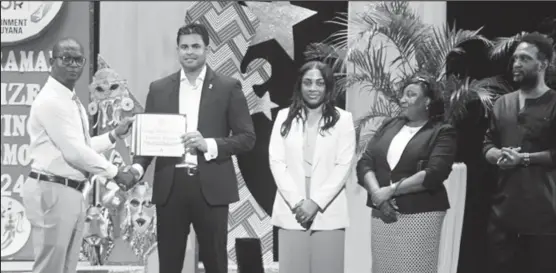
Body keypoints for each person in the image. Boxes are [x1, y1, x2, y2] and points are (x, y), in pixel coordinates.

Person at [129, 23, 255, 273]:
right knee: (169, 263)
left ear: (207, 49)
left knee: (215, 263)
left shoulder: (227, 87)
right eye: (184, 47)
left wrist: (207, 143)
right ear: (177, 50)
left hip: (211, 187)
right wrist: (135, 168)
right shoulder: (159, 88)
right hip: (171, 186)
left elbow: (247, 138)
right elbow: (148, 140)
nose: (190, 52)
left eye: (196, 46)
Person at [21, 37, 136, 273]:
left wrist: (114, 135)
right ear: (51, 62)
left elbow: (81, 146)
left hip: (69, 191)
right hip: (52, 191)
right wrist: (116, 173)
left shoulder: (69, 98)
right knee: (50, 268)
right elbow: (74, 152)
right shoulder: (51, 101)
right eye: (66, 58)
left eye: (78, 60)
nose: (73, 65)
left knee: (66, 268)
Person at [356, 75, 457, 273]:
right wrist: (379, 195)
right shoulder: (389, 125)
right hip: (382, 214)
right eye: (402, 94)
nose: (402, 99)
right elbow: (365, 162)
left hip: (420, 215)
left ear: (427, 102)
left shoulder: (442, 132)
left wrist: (391, 191)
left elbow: (434, 174)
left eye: (410, 95)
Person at [269, 60, 355, 273]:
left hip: (328, 210)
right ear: (300, 85)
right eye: (308, 83)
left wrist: (315, 203)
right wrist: (299, 203)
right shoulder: (283, 117)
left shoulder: (343, 119)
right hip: (292, 209)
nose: (313, 88)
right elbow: (276, 161)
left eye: (319, 83)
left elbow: (343, 165)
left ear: (327, 87)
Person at [483, 33, 556, 273]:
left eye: (525, 58)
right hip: (502, 217)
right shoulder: (502, 103)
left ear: (543, 64)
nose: (516, 64)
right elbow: (487, 145)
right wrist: (497, 155)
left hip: (544, 219)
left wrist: (523, 159)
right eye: (515, 58)